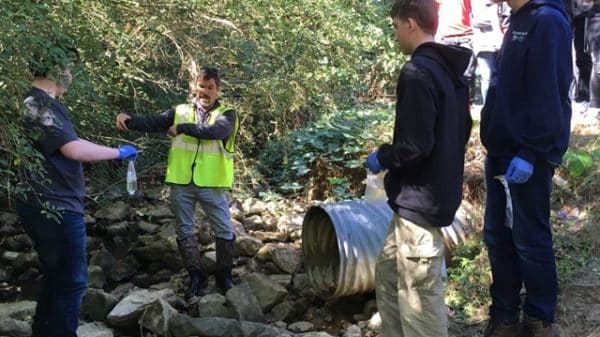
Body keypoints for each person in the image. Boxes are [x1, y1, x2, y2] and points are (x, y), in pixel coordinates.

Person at [365, 1, 472, 336]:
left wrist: (382, 156)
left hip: (421, 205)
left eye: (395, 26)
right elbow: (463, 130)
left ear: (411, 24)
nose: (395, 35)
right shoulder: (449, 70)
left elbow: (415, 146)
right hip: (418, 201)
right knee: (388, 278)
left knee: (420, 301)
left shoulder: (418, 72)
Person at [18, 44, 138, 337]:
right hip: (55, 205)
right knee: (71, 282)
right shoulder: (38, 103)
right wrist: (118, 152)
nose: (71, 75)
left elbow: (66, 142)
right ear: (57, 68)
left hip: (42, 202)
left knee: (56, 276)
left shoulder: (33, 103)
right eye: (69, 68)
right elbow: (72, 149)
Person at [479, 0, 573, 336]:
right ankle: (504, 317)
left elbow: (551, 92)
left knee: (530, 239)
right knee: (498, 237)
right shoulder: (520, 18)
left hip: (527, 154)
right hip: (502, 152)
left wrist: (532, 151)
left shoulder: (547, 21)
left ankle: (539, 321)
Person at [116, 67, 239, 297]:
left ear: (218, 89)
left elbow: (216, 132)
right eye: (201, 87)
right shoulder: (180, 110)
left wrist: (182, 129)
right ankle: (196, 276)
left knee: (223, 229)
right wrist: (129, 120)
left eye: (210, 87)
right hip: (181, 182)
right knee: (184, 230)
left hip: (212, 184)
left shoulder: (227, 114)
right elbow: (154, 122)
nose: (205, 92)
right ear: (194, 88)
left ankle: (225, 277)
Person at [471, 0, 505, 105]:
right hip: (484, 44)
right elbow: (475, 22)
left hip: (504, 43)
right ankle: (488, 107)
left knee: (504, 77)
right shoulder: (478, 2)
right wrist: (495, 19)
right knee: (488, 79)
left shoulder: (505, 4)